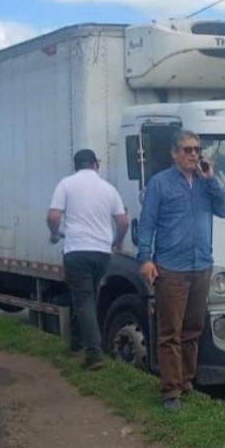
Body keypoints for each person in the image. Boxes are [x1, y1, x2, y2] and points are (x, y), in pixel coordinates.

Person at [137, 130, 225, 412]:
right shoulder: (160, 183)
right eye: (187, 150)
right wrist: (145, 258)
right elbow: (147, 223)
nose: (193, 155)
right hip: (171, 268)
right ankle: (170, 391)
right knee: (170, 332)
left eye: (197, 150)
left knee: (193, 329)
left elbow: (224, 210)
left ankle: (187, 382)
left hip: (201, 265)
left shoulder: (205, 183)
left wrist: (211, 179)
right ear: (175, 153)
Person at [47, 149, 129, 370]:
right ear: (96, 164)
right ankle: (76, 342)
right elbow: (123, 222)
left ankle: (94, 354)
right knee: (87, 297)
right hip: (101, 253)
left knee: (83, 300)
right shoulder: (108, 189)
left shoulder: (66, 184)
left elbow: (53, 216)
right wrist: (117, 241)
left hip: (76, 251)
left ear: (75, 165)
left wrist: (55, 233)